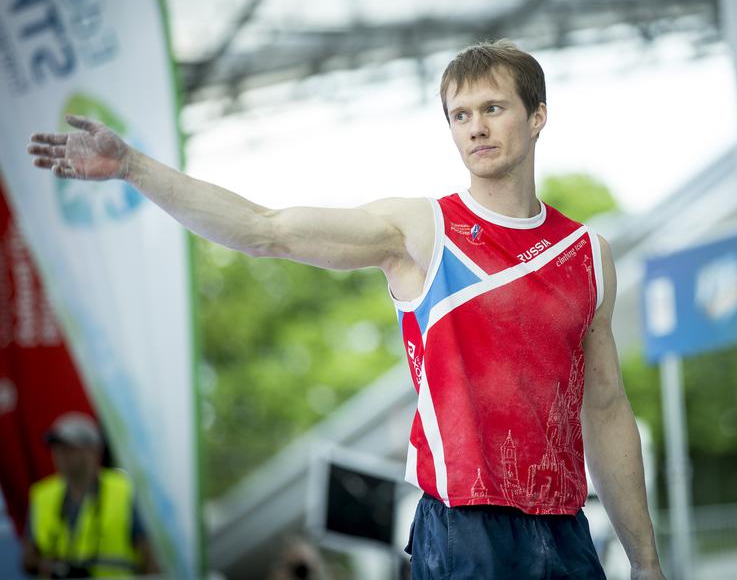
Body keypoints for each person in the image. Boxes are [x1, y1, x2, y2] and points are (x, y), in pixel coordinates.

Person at [27, 40, 665, 579]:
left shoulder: (587, 253)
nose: (475, 126)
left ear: (537, 117)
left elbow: (606, 410)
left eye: (493, 108)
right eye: (460, 114)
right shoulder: (422, 229)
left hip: (566, 530)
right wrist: (134, 166)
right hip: (465, 529)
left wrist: (647, 563)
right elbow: (264, 228)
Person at [20, 412, 158, 578]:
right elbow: (28, 559)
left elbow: (151, 558)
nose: (60, 454)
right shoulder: (42, 496)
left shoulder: (124, 491)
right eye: (56, 447)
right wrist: (46, 564)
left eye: (69, 447)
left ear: (93, 450)